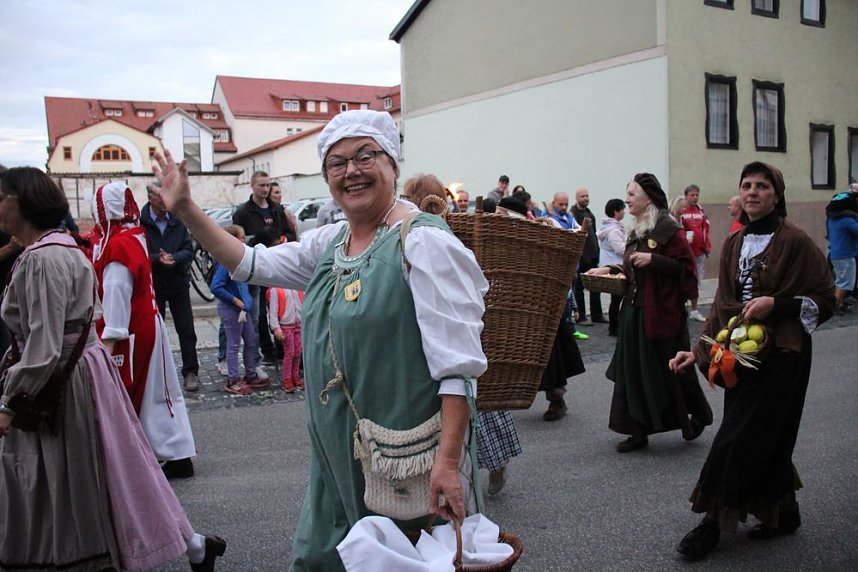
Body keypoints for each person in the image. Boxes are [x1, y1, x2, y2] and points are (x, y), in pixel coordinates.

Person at [152, 109, 488, 570]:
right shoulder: (331, 242)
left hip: (406, 463)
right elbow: (250, 263)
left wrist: (448, 464)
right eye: (337, 162)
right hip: (337, 461)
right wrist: (187, 210)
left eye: (365, 156)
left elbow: (459, 369)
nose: (351, 171)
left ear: (392, 163)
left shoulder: (423, 244)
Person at [0, 167, 225, 571]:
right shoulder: (80, 245)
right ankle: (186, 543)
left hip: (86, 365)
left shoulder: (63, 254)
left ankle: (89, 552)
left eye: (2, 197)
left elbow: (57, 336)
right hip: (97, 359)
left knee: (100, 470)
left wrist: (11, 401)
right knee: (124, 463)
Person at [669, 162, 836, 561]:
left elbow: (826, 298)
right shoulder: (735, 243)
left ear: (776, 196)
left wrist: (775, 304)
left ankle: (712, 522)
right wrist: (699, 349)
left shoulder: (795, 242)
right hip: (739, 358)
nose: (753, 192)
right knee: (766, 437)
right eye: (747, 185)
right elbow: (722, 307)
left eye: (762, 186)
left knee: (736, 439)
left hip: (782, 358)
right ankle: (784, 512)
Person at [587, 173, 712, 453]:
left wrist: (655, 260)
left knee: (671, 370)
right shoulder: (637, 230)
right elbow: (632, 266)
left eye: (632, 194)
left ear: (649, 198)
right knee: (632, 372)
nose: (627, 199)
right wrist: (609, 269)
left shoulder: (669, 229)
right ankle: (637, 430)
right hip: (634, 311)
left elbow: (687, 273)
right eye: (627, 194)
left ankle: (698, 414)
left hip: (662, 314)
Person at [91, 182, 197, 480]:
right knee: (161, 394)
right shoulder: (134, 233)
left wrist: (110, 338)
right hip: (148, 322)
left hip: (134, 328)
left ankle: (160, 453)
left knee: (144, 395)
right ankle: (174, 452)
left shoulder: (118, 244)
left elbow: (116, 290)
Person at [141, 181, 201, 392]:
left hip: (178, 281)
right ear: (151, 198)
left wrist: (174, 258)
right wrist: (156, 259)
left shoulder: (178, 218)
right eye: (162, 197)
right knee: (154, 331)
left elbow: (188, 249)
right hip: (154, 284)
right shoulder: (141, 222)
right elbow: (138, 253)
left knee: (186, 329)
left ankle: (190, 372)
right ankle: (156, 375)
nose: (166, 201)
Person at [233, 171, 288, 368]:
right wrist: (260, 239)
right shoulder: (243, 212)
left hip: (277, 264)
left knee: (279, 309)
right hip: (256, 266)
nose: (265, 189)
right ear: (252, 186)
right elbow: (238, 241)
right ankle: (264, 352)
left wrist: (285, 239)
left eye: (267, 185)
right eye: (261, 185)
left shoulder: (276, 209)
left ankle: (281, 350)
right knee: (258, 315)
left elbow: (286, 231)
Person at [210, 225, 265, 395]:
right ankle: (232, 379)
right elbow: (216, 287)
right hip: (231, 309)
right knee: (233, 343)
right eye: (241, 237)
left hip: (243, 309)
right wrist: (236, 301)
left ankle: (250, 373)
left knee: (251, 340)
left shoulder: (240, 260)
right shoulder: (225, 263)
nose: (244, 240)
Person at [571, 187, 604, 325]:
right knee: (579, 288)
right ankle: (581, 316)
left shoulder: (589, 213)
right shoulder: (574, 214)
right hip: (582, 257)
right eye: (582, 196)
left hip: (593, 256)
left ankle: (597, 315)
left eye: (587, 196)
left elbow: (593, 234)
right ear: (577, 198)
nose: (585, 198)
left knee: (595, 287)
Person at [680, 184, 712, 322]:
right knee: (683, 280)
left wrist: (707, 246)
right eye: (692, 195)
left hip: (699, 252)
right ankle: (681, 308)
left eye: (697, 195)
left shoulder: (700, 211)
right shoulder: (682, 210)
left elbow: (706, 229)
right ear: (686, 196)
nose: (695, 197)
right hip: (685, 253)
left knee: (696, 281)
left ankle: (694, 310)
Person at [596, 198, 627, 336]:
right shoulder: (613, 231)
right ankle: (614, 327)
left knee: (616, 299)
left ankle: (614, 326)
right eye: (622, 210)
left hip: (610, 264)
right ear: (616, 212)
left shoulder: (607, 228)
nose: (624, 212)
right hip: (615, 266)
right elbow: (620, 249)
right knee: (617, 299)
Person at [268, 279, 304, 393]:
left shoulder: (298, 286)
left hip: (298, 324)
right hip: (286, 325)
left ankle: (295, 376)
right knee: (290, 353)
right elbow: (273, 311)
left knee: (298, 352)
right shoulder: (276, 289)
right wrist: (276, 328)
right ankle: (287, 379)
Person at [825, 190, 858, 313]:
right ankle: (833, 306)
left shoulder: (832, 219)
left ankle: (839, 304)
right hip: (846, 255)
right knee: (846, 283)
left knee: (839, 281)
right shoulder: (847, 220)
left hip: (835, 254)